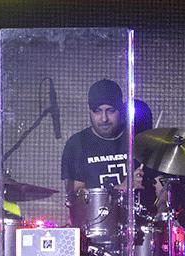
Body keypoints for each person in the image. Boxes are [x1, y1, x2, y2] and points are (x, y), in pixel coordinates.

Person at [61, 79, 143, 226]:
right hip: (94, 229)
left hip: (137, 228)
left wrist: (161, 212)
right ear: (90, 111)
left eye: (110, 110)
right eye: (97, 111)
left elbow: (161, 192)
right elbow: (75, 197)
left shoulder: (139, 141)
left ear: (120, 110)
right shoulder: (77, 144)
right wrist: (119, 190)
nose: (104, 118)